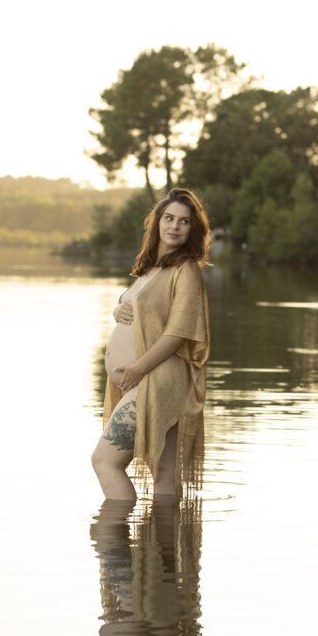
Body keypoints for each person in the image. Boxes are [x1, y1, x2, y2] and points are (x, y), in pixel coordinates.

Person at [91, 188, 211, 503]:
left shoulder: (186, 271)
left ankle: (116, 543)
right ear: (157, 222)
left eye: (184, 221)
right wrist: (117, 308)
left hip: (156, 379)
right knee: (165, 474)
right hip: (147, 379)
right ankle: (162, 546)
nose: (174, 226)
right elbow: (134, 304)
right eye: (169, 218)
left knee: (105, 461)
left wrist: (136, 370)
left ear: (192, 229)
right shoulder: (152, 268)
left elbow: (178, 333)